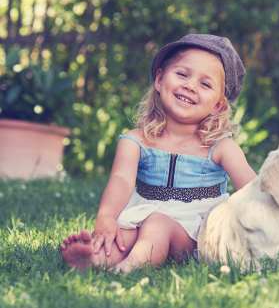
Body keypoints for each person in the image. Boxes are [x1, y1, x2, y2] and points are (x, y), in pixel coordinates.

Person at [60, 34, 257, 273]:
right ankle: (94, 258)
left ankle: (128, 269)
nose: (190, 86)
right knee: (122, 235)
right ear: (160, 79)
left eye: (205, 84)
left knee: (157, 225)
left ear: (218, 105)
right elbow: (121, 180)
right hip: (142, 214)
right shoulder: (136, 140)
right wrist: (107, 217)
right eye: (182, 74)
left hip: (195, 232)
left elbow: (252, 190)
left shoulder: (220, 146)